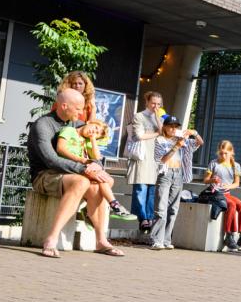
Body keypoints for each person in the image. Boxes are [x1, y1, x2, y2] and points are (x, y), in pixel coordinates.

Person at [27, 89, 125, 258]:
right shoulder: (43, 125)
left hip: (72, 174)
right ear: (64, 106)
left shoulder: (77, 124)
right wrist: (84, 169)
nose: (82, 113)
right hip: (44, 175)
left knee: (97, 187)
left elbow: (96, 157)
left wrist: (94, 166)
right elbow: (51, 160)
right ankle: (51, 239)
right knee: (81, 182)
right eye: (78, 109)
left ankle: (101, 241)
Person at [54, 119, 135, 220]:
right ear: (89, 122)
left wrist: (92, 139)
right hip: (69, 168)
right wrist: (82, 160)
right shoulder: (70, 130)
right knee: (105, 180)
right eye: (95, 128)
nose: (93, 132)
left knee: (109, 180)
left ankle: (112, 207)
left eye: (97, 134)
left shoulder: (87, 140)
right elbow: (60, 148)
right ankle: (113, 206)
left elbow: (96, 158)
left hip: (82, 170)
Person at [149, 115, 202, 250]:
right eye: (170, 126)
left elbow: (200, 143)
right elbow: (162, 159)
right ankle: (156, 240)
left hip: (178, 174)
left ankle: (166, 240)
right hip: (165, 174)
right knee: (161, 208)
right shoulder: (160, 140)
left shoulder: (182, 139)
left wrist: (194, 133)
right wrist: (176, 147)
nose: (173, 129)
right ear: (165, 127)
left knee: (173, 209)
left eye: (175, 126)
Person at [124, 91, 164, 230]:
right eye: (153, 103)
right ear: (147, 102)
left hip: (155, 157)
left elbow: (164, 133)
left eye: (158, 104)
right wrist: (156, 134)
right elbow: (140, 135)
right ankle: (142, 218)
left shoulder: (160, 117)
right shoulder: (139, 116)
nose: (155, 106)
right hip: (141, 155)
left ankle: (149, 217)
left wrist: (158, 118)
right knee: (140, 187)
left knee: (152, 189)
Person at [204, 140, 241, 252]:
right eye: (221, 153)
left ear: (231, 152)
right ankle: (229, 235)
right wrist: (212, 179)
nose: (223, 155)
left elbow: (237, 183)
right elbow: (205, 180)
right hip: (215, 193)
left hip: (227, 193)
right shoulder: (214, 163)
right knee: (232, 205)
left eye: (225, 153)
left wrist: (229, 185)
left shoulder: (236, 166)